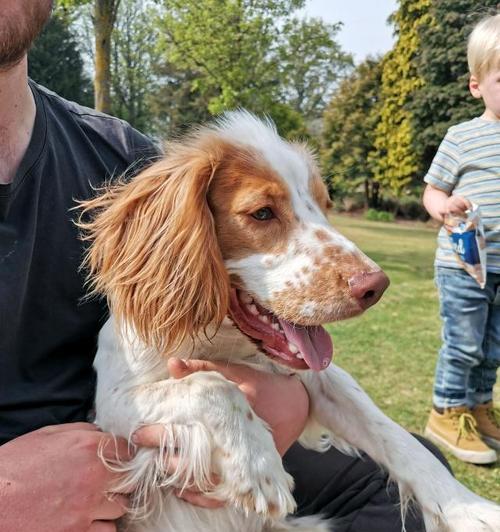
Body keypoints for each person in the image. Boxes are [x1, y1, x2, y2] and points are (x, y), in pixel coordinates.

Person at [0, 2, 446, 531]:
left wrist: (286, 402)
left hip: (159, 448)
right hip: (105, 469)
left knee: (412, 486)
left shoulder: (122, 158)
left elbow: (198, 344)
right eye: (261, 213)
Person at [422, 13, 500, 465]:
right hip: (464, 263)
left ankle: (479, 406)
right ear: (476, 86)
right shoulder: (463, 137)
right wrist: (441, 207)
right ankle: (446, 412)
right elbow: (432, 190)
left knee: (492, 349)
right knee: (465, 344)